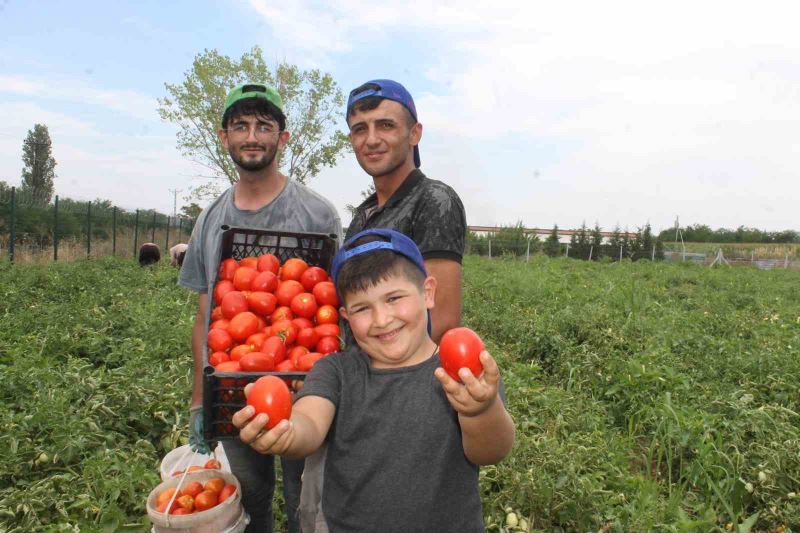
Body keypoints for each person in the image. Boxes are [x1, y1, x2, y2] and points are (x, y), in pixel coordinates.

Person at [232, 229, 515, 533]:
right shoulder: (337, 371)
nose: (381, 320)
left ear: (428, 292)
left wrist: (480, 410)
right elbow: (309, 424)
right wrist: (287, 430)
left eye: (393, 298)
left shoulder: (461, 370)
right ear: (346, 317)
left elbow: (491, 451)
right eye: (362, 308)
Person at [178, 82, 341, 533]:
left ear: (282, 138)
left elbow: (337, 303)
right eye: (241, 126)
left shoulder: (317, 215)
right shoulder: (211, 220)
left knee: (306, 500)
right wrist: (199, 400)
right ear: (224, 135)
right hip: (232, 392)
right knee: (249, 500)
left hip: (307, 390)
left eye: (264, 126)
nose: (252, 135)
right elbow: (206, 312)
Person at [344, 79, 466, 343]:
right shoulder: (362, 216)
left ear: (414, 133)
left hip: (405, 380)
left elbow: (442, 321)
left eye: (386, 125)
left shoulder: (433, 200)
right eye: (360, 129)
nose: (372, 139)